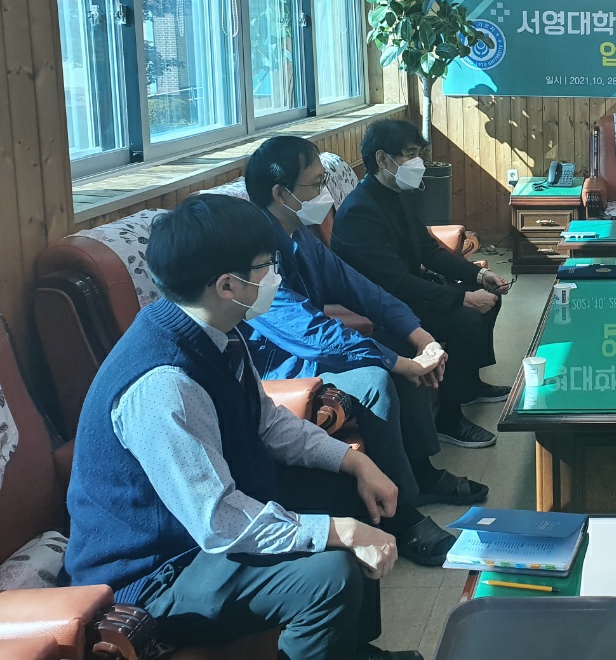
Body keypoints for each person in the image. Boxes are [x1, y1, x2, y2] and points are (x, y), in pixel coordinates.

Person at [64, 194, 422, 660]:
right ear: (228, 285)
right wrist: (340, 533)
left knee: (346, 492)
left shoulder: (217, 330)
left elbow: (268, 423)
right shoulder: (163, 383)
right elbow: (219, 521)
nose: (275, 277)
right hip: (157, 574)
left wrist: (355, 463)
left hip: (200, 531)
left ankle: (352, 649)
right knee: (327, 576)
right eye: (266, 266)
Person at [243, 137, 489, 526]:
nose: (325, 195)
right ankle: (401, 516)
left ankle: (420, 473)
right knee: (376, 379)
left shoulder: (300, 235)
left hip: (311, 351)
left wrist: (417, 334)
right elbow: (310, 334)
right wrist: (396, 362)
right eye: (315, 184)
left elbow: (358, 288)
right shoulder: (250, 252)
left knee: (399, 348)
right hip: (280, 365)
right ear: (280, 193)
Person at [331, 119, 511, 418]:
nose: (419, 163)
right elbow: (395, 283)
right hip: (382, 304)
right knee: (465, 319)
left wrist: (478, 275)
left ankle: (469, 384)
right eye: (411, 154)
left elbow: (428, 249)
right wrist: (462, 298)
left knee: (488, 295)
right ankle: (449, 419)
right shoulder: (359, 212)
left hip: (407, 290)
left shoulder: (399, 194)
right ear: (382, 159)